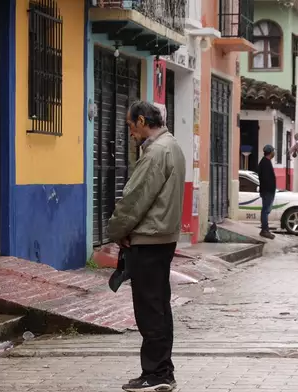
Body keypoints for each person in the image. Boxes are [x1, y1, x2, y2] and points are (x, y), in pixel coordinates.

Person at [107, 101, 185, 392]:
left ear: (142, 121)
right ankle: (162, 370)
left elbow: (135, 198)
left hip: (150, 239)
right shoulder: (172, 146)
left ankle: (157, 373)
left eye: (130, 126)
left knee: (150, 308)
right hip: (162, 237)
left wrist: (116, 230)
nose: (130, 133)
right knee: (159, 306)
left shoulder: (156, 152)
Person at [258, 144, 277, 239]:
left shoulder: (266, 162)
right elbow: (266, 179)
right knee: (265, 211)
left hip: (268, 191)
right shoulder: (265, 163)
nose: (274, 153)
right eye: (273, 151)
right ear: (270, 152)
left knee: (266, 210)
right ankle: (265, 230)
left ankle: (265, 229)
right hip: (267, 191)